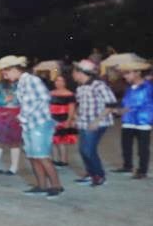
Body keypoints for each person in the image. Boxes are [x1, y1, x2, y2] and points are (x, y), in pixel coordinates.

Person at [0, 56, 63, 198]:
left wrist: (24, 115)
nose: (3, 74)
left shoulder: (32, 80)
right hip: (29, 125)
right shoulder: (21, 83)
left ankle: (56, 186)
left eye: (5, 71)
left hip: (39, 124)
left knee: (42, 156)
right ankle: (41, 186)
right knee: (32, 156)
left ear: (14, 69)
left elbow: (44, 98)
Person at [71, 59, 118, 187]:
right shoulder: (80, 87)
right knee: (83, 150)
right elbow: (80, 104)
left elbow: (111, 104)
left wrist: (96, 121)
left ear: (81, 72)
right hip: (84, 123)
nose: (72, 75)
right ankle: (91, 174)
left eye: (74, 72)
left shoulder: (99, 85)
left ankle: (99, 176)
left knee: (88, 150)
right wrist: (75, 117)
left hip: (98, 123)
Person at [113, 60, 153, 179]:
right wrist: (119, 108)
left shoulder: (147, 87)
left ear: (138, 72)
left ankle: (142, 171)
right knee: (126, 145)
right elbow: (126, 102)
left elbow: (139, 103)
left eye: (127, 73)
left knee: (142, 148)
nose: (125, 76)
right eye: (124, 73)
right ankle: (127, 166)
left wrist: (122, 110)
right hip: (128, 120)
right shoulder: (130, 87)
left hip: (142, 121)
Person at [0, 74, 22, 175]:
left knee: (15, 141)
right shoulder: (0, 85)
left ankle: (14, 167)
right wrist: (3, 100)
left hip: (17, 114)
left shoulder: (21, 85)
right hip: (2, 115)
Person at [50, 75, 77, 166]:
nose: (59, 83)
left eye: (61, 81)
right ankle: (55, 159)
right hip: (51, 119)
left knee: (62, 141)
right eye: (57, 80)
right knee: (53, 141)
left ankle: (64, 160)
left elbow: (71, 109)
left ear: (65, 83)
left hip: (63, 119)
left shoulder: (69, 94)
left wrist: (69, 121)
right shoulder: (50, 93)